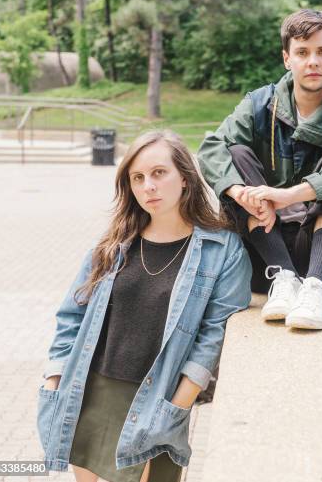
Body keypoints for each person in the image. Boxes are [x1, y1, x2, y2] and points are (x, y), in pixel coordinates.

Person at [36, 130, 252, 482]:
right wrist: (54, 382)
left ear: (184, 177)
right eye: (138, 178)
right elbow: (71, 317)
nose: (148, 186)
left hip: (156, 399)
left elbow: (213, 339)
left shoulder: (222, 249)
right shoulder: (114, 243)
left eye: (158, 173)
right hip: (89, 390)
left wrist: (176, 409)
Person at [197, 9, 322, 330]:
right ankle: (283, 276)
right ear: (287, 59)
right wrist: (242, 193)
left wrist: (288, 195)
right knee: (236, 153)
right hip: (264, 256)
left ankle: (315, 289)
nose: (313, 61)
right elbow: (211, 148)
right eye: (302, 52)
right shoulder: (258, 104)